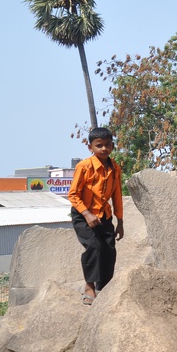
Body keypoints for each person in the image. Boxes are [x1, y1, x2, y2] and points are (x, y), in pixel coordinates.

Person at [68, 126, 124, 305]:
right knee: (94, 247)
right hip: (83, 213)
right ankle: (89, 286)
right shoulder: (84, 167)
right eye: (99, 145)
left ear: (113, 146)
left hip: (104, 215)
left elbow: (117, 195)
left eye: (107, 145)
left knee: (109, 250)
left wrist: (120, 221)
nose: (104, 149)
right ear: (90, 147)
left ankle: (104, 287)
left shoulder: (115, 168)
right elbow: (73, 194)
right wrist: (86, 214)